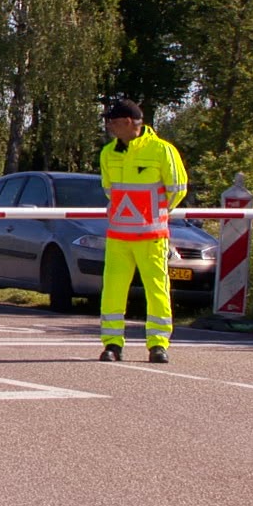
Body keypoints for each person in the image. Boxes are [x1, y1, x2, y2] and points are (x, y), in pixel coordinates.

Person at [96, 99, 187, 363]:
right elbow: (109, 189)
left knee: (157, 289)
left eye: (112, 122)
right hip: (118, 235)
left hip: (152, 235)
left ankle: (158, 344)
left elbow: (178, 188)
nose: (108, 127)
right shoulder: (108, 153)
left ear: (127, 122)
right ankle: (112, 344)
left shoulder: (162, 150)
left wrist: (154, 214)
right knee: (112, 290)